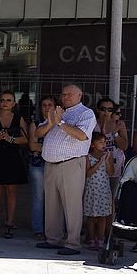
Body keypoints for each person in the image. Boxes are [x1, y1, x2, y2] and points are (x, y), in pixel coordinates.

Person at [35, 84, 96, 255]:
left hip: (71, 164)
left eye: (70, 94)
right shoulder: (58, 112)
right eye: (64, 94)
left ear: (80, 95)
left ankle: (72, 243)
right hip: (51, 164)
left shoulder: (86, 113)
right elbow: (38, 133)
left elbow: (82, 135)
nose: (66, 97)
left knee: (72, 204)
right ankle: (53, 239)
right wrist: (52, 121)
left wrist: (60, 122)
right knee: (52, 204)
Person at [0, 90, 28, 238]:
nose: (5, 103)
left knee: (11, 191)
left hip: (13, 158)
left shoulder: (19, 118)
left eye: (9, 100)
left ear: (14, 103)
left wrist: (10, 139)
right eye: (3, 100)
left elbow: (26, 139)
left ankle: (9, 223)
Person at [27, 96, 56, 241]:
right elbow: (32, 146)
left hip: (55, 165)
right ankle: (38, 229)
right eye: (44, 105)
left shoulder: (60, 124)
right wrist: (53, 148)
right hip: (38, 164)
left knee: (54, 199)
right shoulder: (36, 124)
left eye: (50, 105)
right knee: (38, 198)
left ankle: (53, 229)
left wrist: (43, 148)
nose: (47, 107)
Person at [84, 132, 114, 251]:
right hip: (91, 189)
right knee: (91, 216)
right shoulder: (88, 156)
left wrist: (106, 162)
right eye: (100, 142)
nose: (103, 144)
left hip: (103, 189)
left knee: (102, 216)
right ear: (92, 144)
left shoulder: (108, 155)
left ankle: (101, 239)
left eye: (104, 142)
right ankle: (91, 239)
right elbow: (88, 173)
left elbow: (111, 173)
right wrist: (100, 162)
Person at [94, 98, 128, 193]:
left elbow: (124, 146)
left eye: (110, 110)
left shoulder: (119, 124)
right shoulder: (93, 123)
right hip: (96, 165)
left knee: (112, 196)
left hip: (115, 164)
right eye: (103, 109)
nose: (106, 112)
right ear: (97, 109)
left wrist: (114, 133)